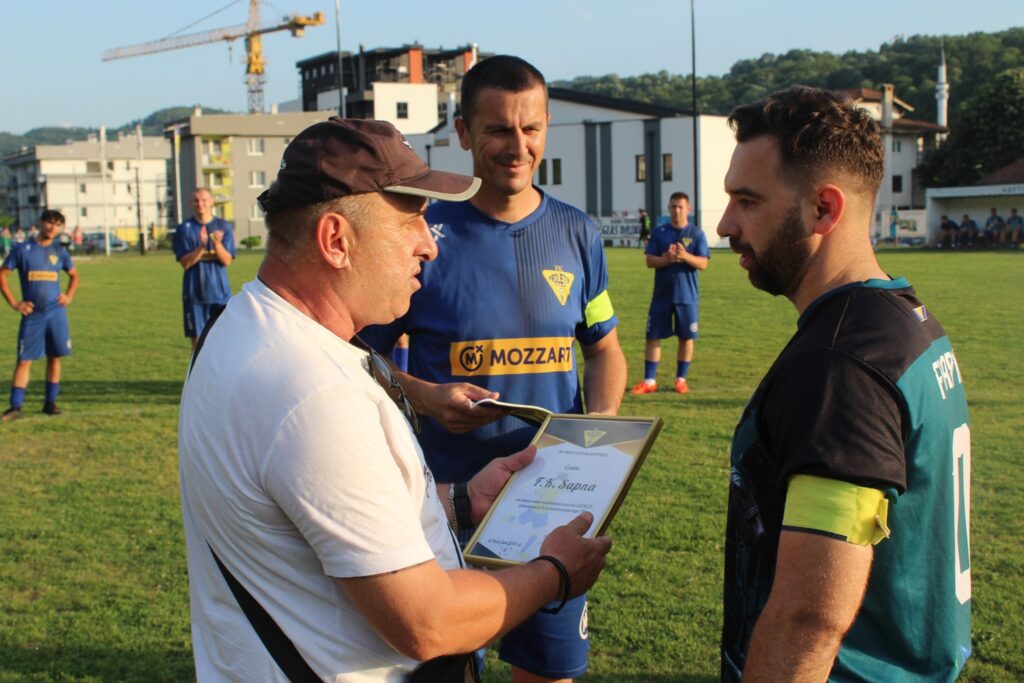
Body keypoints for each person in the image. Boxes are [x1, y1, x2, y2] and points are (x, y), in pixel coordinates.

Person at [178, 117, 612, 682]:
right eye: (412, 218)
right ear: (337, 241)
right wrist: (556, 571)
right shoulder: (314, 393)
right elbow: (428, 622)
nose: (429, 245)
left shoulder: (239, 326)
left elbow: (320, 514)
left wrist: (462, 500)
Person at [361, 55, 627, 683]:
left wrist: (602, 431)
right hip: (450, 507)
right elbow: (357, 356)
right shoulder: (424, 234)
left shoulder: (577, 233)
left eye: (531, 128)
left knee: (549, 674)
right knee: (446, 671)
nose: (518, 146)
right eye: (499, 130)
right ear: (462, 132)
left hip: (554, 507)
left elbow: (605, 348)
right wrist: (424, 397)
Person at [716, 86, 971, 681]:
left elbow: (809, 619)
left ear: (823, 210)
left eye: (747, 201)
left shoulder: (841, 365)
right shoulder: (903, 319)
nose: (725, 224)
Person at [0, 210, 80, 421]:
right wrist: (15, 303)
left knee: (55, 357)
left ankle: (50, 403)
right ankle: (15, 406)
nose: (53, 227)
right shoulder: (22, 249)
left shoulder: (59, 251)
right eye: (50, 223)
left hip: (56, 314)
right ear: (41, 223)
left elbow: (74, 275)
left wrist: (69, 296)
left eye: (58, 224)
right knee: (24, 359)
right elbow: (3, 274)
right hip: (33, 315)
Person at [630, 192, 709, 395]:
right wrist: (667, 259)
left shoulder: (696, 234)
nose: (677, 210)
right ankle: (649, 381)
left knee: (686, 338)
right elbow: (650, 261)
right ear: (669, 208)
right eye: (673, 206)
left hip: (687, 296)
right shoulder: (660, 232)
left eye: (681, 207)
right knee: (653, 336)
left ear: (689, 209)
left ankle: (680, 380)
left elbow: (703, 263)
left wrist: (685, 256)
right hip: (661, 295)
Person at [173, 188, 235, 348]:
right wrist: (201, 247)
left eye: (204, 200)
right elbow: (186, 263)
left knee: (224, 340)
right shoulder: (184, 228)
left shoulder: (223, 227)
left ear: (212, 201)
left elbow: (227, 260)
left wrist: (217, 244)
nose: (200, 204)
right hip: (194, 294)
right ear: (190, 203)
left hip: (220, 294)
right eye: (196, 200)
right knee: (198, 343)